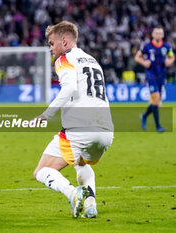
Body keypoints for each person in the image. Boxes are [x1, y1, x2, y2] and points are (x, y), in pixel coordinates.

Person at [33, 21, 114, 218]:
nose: (50, 49)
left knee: (42, 170)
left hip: (80, 128)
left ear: (64, 41)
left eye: (52, 43)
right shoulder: (93, 60)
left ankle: (73, 194)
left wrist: (46, 114)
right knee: (81, 162)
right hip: (106, 131)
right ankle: (91, 203)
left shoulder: (64, 59)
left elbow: (69, 88)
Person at [134, 26, 174, 132]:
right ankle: (158, 127)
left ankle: (144, 116)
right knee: (156, 99)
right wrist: (144, 62)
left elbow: (171, 56)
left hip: (161, 76)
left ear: (163, 35)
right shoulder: (147, 46)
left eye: (160, 33)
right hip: (151, 76)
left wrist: (169, 62)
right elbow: (137, 57)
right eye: (156, 33)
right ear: (152, 34)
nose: (158, 35)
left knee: (156, 102)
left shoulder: (166, 46)